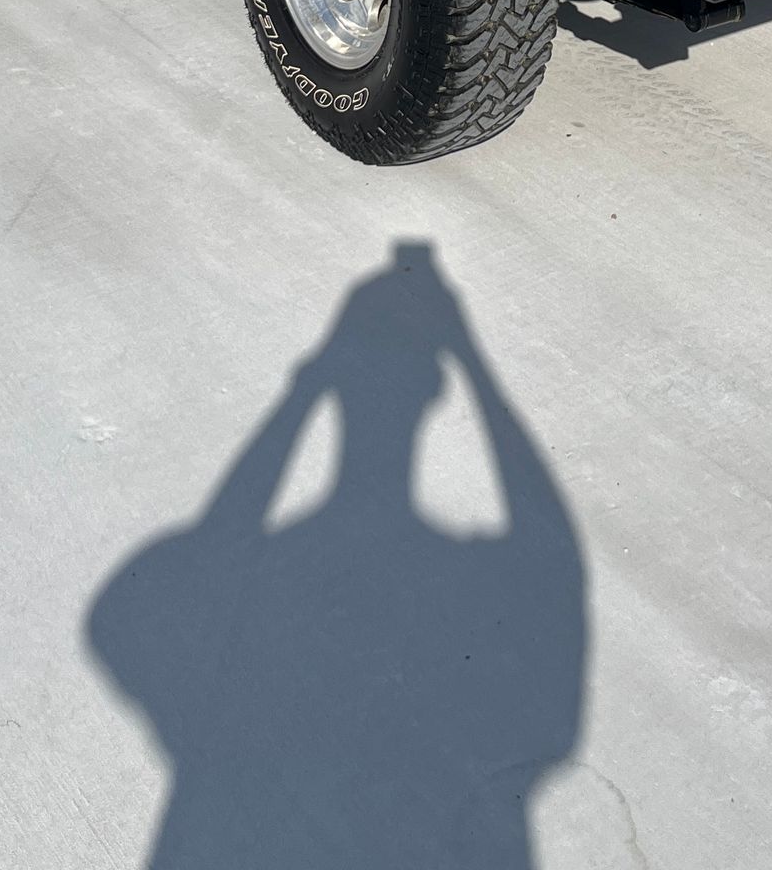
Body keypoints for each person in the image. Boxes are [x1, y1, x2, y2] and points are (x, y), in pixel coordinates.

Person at [87, 242, 586, 869]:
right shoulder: (459, 586)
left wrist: (306, 388)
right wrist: (471, 358)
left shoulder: (275, 582)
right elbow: (552, 556)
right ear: (434, 395)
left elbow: (208, 550)